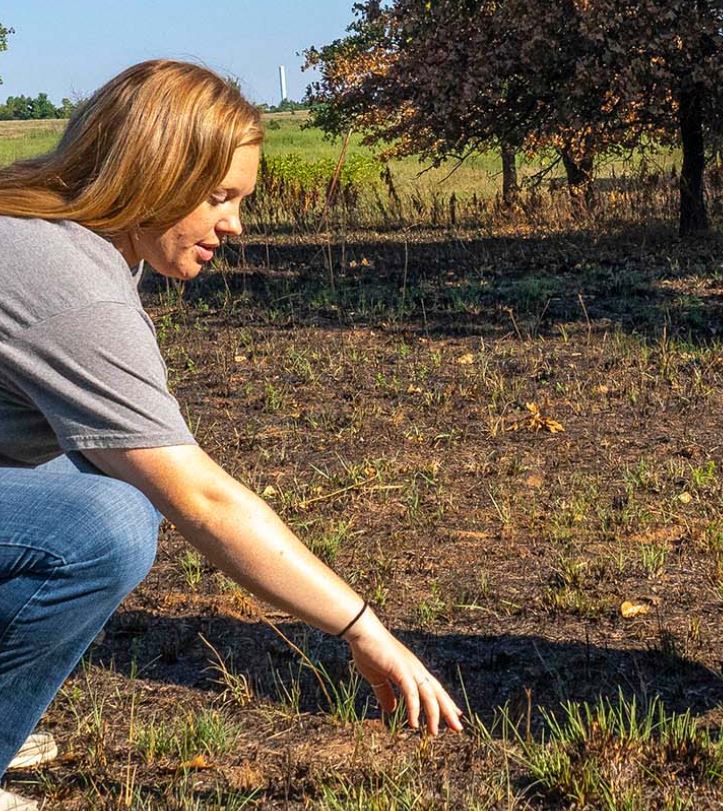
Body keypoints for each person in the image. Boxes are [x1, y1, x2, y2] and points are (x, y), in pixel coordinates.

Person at [0, 60, 462, 809]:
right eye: (218, 196)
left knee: (111, 485)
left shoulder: (59, 235)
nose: (235, 224)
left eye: (240, 199)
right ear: (152, 171)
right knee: (104, 524)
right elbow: (202, 497)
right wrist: (362, 626)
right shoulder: (70, 282)